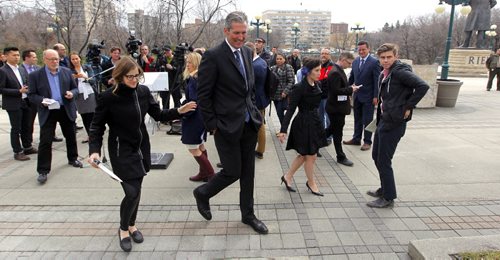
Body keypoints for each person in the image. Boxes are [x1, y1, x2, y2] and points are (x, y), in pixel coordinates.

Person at [88, 56, 196, 252]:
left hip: (141, 148)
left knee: (136, 190)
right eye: (129, 76)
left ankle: (132, 224)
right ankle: (123, 229)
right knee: (132, 192)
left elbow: (159, 115)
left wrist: (179, 110)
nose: (134, 80)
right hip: (121, 150)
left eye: (137, 76)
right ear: (120, 76)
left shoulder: (143, 92)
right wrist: (94, 151)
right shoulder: (108, 97)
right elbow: (96, 126)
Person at [194, 11, 268, 235]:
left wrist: (254, 112)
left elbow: (249, 88)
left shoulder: (247, 52)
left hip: (249, 123)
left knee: (248, 174)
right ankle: (203, 193)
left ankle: (248, 215)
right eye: (237, 33)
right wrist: (212, 125)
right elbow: (203, 95)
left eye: (244, 32)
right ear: (226, 31)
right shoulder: (214, 56)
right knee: (233, 171)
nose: (241, 37)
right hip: (224, 126)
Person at [367, 43, 429, 208]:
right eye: (383, 58)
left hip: (394, 122)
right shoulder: (385, 73)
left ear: (395, 56)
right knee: (376, 157)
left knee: (384, 160)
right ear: (379, 58)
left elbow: (423, 86)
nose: (386, 60)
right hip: (384, 120)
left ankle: (388, 197)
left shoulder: (400, 72)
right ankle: (384, 188)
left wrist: (408, 106)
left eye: (389, 57)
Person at [28, 49, 83, 184]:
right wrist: (43, 101)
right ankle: (43, 170)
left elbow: (76, 89)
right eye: (51, 59)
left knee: (70, 136)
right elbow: (31, 95)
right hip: (48, 111)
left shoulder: (66, 72)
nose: (54, 62)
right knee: (45, 141)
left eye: (56, 59)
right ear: (45, 60)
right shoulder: (36, 75)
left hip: (65, 108)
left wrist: (72, 93)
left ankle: (73, 158)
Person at [277, 58, 327, 196]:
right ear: (308, 71)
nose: (319, 73)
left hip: (315, 122)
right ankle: (311, 182)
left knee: (305, 155)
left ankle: (287, 176)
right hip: (303, 123)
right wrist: (283, 130)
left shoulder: (318, 84)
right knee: (311, 156)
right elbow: (291, 109)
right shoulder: (299, 87)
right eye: (316, 70)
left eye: (320, 70)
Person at [181, 52, 216, 182]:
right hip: (199, 116)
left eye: (190, 62)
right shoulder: (198, 76)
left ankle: (210, 174)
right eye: (187, 62)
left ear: (196, 63)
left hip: (195, 117)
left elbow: (194, 101)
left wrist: (183, 112)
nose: (187, 65)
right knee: (199, 146)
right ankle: (204, 173)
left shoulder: (195, 78)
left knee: (193, 147)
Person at [0, 47, 38, 161]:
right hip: (13, 102)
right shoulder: (3, 70)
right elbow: (1, 89)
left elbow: (26, 82)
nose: (16, 57)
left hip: (25, 101)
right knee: (16, 128)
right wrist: (18, 91)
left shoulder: (21, 69)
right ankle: (17, 151)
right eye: (13, 55)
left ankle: (27, 147)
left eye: (17, 55)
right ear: (6, 56)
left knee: (26, 125)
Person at [344, 41, 381, 151]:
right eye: (359, 50)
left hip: (369, 97)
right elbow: (352, 78)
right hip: (357, 96)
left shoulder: (374, 62)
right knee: (357, 118)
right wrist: (348, 91)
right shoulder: (355, 62)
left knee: (368, 120)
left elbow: (377, 81)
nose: (361, 51)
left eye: (363, 49)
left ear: (368, 49)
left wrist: (376, 96)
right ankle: (356, 139)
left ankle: (367, 141)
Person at [325, 52, 358, 167]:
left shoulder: (337, 70)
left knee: (331, 129)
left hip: (337, 107)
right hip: (336, 108)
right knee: (337, 132)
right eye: (349, 63)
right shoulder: (335, 72)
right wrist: (351, 89)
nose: (349, 66)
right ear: (343, 59)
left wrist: (350, 88)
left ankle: (312, 143)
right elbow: (336, 91)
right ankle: (340, 156)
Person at [245, 41, 269, 159]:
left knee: (259, 125)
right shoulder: (261, 62)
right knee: (260, 124)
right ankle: (260, 150)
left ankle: (260, 151)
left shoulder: (255, 65)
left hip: (257, 100)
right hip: (261, 98)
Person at [69, 52, 97, 143]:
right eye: (73, 59)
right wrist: (74, 78)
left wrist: (85, 77)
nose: (75, 61)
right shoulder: (69, 71)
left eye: (76, 58)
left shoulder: (87, 67)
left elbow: (93, 80)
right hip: (79, 95)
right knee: (84, 116)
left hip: (89, 93)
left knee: (92, 115)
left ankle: (94, 134)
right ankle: (89, 135)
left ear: (80, 59)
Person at [19, 49, 41, 145]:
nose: (36, 59)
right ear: (27, 58)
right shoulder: (20, 70)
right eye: (34, 57)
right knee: (28, 123)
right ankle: (28, 143)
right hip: (28, 100)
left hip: (39, 98)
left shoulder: (38, 68)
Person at [270, 52, 294, 129]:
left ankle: (283, 129)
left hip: (283, 94)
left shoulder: (288, 67)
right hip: (275, 94)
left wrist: (285, 91)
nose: (279, 60)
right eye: (277, 59)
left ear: (284, 59)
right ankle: (284, 128)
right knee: (278, 112)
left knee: (280, 112)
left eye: (281, 59)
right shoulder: (273, 68)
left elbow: (291, 81)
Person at [319, 48, 334, 147]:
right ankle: (321, 135)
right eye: (322, 53)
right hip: (320, 95)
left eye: (326, 53)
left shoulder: (331, 66)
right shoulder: (320, 65)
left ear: (329, 55)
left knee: (328, 117)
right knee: (320, 117)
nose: (324, 55)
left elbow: (324, 80)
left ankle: (329, 137)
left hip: (327, 95)